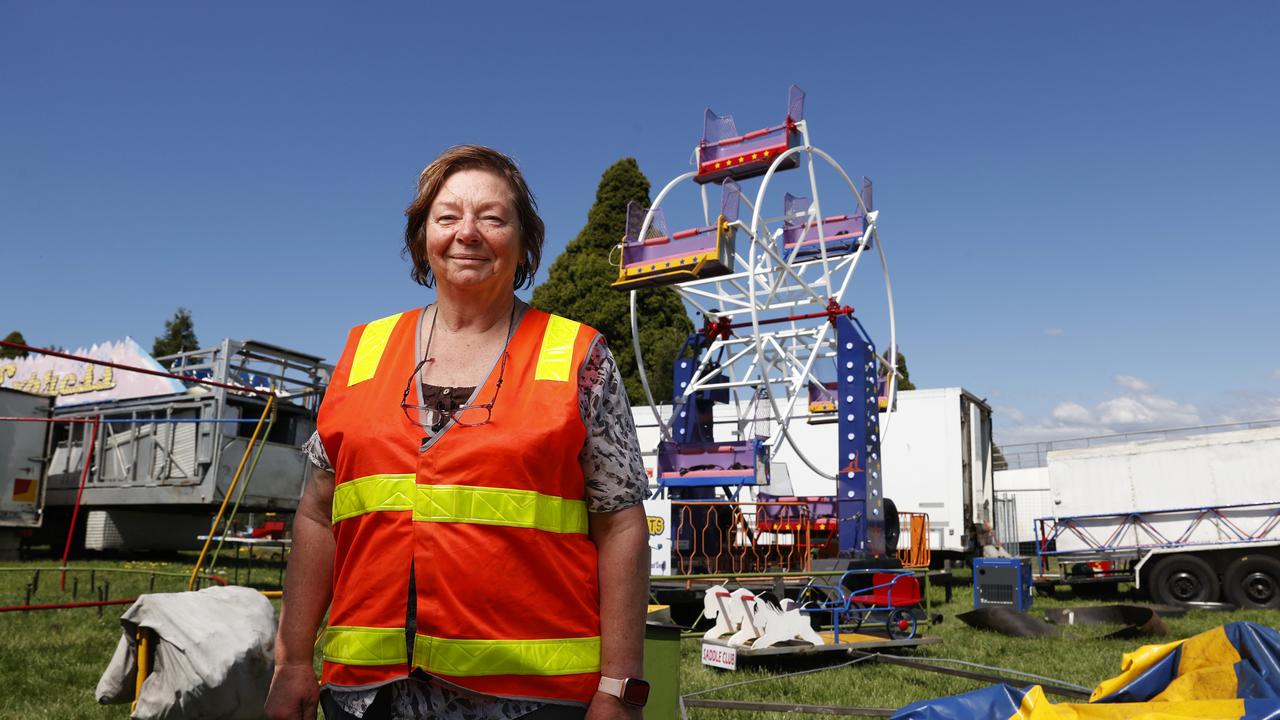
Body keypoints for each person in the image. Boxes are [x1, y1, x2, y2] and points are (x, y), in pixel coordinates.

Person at [266, 145, 651, 720]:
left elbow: (620, 525)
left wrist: (620, 687)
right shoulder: (364, 352)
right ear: (423, 237)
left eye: (492, 217)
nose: (467, 233)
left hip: (529, 700)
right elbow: (319, 514)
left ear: (524, 241)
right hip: (368, 697)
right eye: (447, 217)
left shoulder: (578, 356)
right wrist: (293, 660)